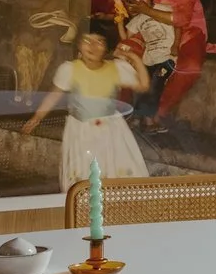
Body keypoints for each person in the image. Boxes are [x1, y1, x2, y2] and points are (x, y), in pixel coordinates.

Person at [20, 29, 148, 187]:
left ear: (106, 47)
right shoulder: (69, 69)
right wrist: (37, 118)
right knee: (84, 175)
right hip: (81, 131)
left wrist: (134, 58)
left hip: (110, 132)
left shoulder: (116, 68)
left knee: (111, 170)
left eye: (99, 42)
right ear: (79, 46)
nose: (93, 46)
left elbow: (143, 85)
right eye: (87, 41)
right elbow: (54, 96)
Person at [137, 0, 208, 122]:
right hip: (153, 32)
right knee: (126, 54)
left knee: (190, 68)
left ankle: (158, 112)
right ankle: (124, 113)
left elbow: (182, 19)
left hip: (188, 31)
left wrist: (146, 10)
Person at [119, 0, 177, 129]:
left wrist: (176, 46)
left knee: (156, 83)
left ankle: (148, 120)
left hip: (168, 57)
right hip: (149, 59)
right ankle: (140, 117)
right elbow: (127, 39)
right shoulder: (137, 20)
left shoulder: (164, 9)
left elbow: (178, 25)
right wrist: (119, 20)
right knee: (144, 85)